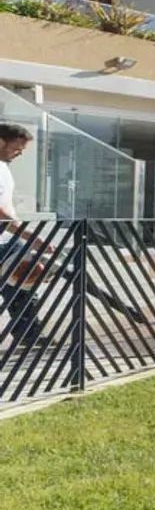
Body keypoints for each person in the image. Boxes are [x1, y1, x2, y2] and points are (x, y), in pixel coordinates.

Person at [0, 121, 46, 347]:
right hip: (4, 240)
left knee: (21, 286)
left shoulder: (3, 168)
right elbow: (1, 212)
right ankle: (31, 335)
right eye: (17, 147)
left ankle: (30, 335)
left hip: (7, 239)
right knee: (25, 279)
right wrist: (32, 238)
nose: (19, 154)